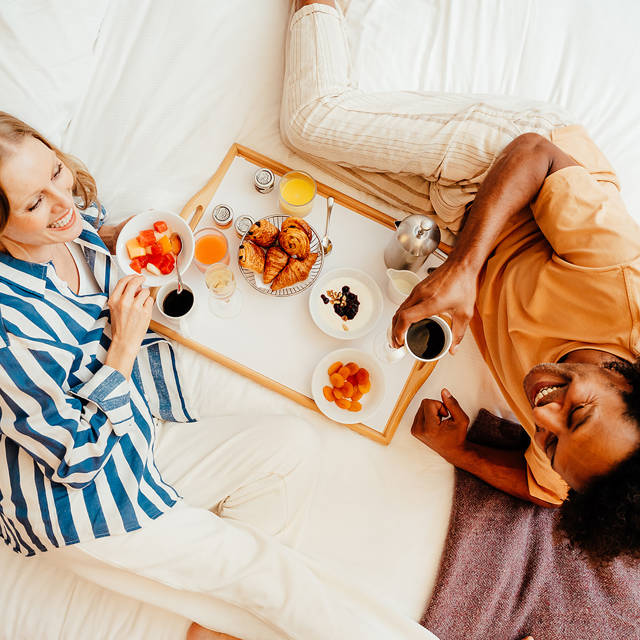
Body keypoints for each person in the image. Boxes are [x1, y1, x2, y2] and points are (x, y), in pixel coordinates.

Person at [0, 111, 451, 640]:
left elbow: (77, 217)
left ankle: (215, 631)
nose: (62, 201)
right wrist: (122, 345)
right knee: (267, 576)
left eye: (56, 172)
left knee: (291, 447)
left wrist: (108, 234)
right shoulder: (8, 330)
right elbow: (76, 458)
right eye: (34, 202)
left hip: (133, 432)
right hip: (80, 498)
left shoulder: (71, 224)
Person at [282, 0, 640, 561]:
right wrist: (464, 269)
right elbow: (536, 155)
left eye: (548, 438)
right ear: (628, 381)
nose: (541, 410)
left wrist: (457, 450)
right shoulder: (624, 282)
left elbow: (543, 491)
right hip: (509, 171)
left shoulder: (584, 463)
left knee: (300, 181)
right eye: (574, 411)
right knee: (310, 124)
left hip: (454, 230)